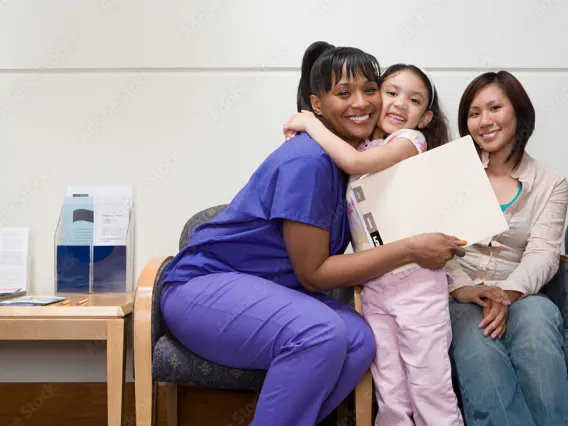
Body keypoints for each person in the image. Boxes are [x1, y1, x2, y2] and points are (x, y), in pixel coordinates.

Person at [159, 41, 467, 426]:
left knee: (359, 340)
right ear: (317, 105)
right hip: (201, 289)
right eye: (343, 93)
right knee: (322, 334)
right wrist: (412, 249)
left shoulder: (355, 163)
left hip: (265, 293)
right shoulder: (310, 161)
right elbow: (314, 275)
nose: (362, 103)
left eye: (369, 90)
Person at [282, 64, 504, 426]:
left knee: (430, 388)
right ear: (374, 96)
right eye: (391, 92)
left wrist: (310, 124)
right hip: (375, 290)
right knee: (391, 392)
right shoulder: (363, 142)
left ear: (425, 116)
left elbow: (355, 162)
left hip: (418, 288)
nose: (400, 103)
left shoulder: (409, 142)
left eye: (414, 99)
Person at [448, 70, 568, 426]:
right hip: (460, 293)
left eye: (494, 107)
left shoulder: (552, 182)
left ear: (518, 111)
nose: (484, 121)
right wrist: (465, 289)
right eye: (473, 113)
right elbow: (436, 244)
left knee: (539, 319)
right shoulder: (455, 174)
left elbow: (544, 253)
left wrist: (505, 294)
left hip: (521, 291)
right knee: (477, 337)